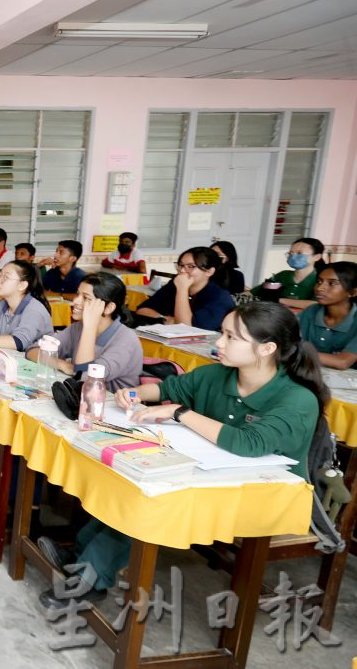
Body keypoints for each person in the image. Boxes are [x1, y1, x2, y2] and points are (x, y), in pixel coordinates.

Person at [38, 301, 328, 608]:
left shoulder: (297, 398)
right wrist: (134, 394)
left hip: (261, 496)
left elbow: (250, 443)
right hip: (212, 476)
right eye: (222, 333)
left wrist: (180, 413)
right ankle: (82, 555)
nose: (219, 343)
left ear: (267, 348)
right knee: (133, 482)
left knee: (153, 499)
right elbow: (169, 389)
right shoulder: (219, 374)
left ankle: (91, 578)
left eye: (231, 337)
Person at [26, 273, 142, 391]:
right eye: (77, 294)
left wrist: (89, 327)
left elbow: (85, 377)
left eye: (86, 298)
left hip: (109, 401)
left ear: (108, 308)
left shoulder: (126, 340)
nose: (75, 301)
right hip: (79, 395)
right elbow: (34, 350)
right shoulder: (77, 327)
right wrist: (63, 365)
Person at [135, 247, 233, 331]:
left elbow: (185, 328)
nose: (182, 270)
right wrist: (165, 319)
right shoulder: (173, 285)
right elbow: (142, 310)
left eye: (190, 266)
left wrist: (182, 289)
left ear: (209, 271)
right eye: (181, 265)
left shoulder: (220, 297)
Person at [299, 261, 357, 370]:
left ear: (353, 292)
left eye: (332, 283)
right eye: (319, 281)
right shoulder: (311, 311)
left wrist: (294, 353)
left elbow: (342, 362)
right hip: (313, 373)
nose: (320, 288)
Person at [262, 237, 327, 310]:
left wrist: (279, 300)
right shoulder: (282, 275)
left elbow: (315, 304)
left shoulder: (321, 279)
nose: (293, 257)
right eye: (291, 253)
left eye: (299, 253)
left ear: (317, 257)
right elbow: (259, 293)